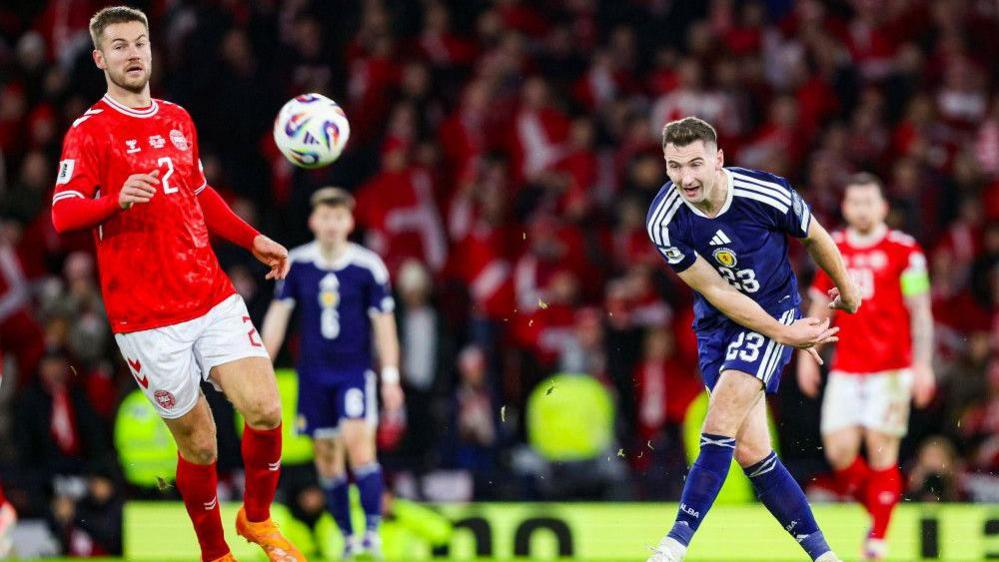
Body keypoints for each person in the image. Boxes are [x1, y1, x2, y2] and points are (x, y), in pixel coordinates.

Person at [49, 7, 303, 562]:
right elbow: (63, 215)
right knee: (201, 442)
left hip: (208, 293)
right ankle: (215, 554)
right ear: (100, 58)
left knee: (265, 408)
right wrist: (116, 198)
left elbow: (198, 193)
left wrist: (251, 238)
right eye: (119, 46)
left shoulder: (177, 117)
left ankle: (256, 520)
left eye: (140, 42)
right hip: (146, 319)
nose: (133, 53)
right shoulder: (89, 132)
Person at [644, 117, 861, 562]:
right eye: (674, 166)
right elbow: (716, 290)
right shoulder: (664, 220)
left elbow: (815, 235)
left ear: (719, 160)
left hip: (776, 307)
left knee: (719, 418)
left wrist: (848, 287)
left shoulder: (765, 193)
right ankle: (825, 556)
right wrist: (787, 336)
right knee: (750, 451)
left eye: (695, 164)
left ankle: (673, 545)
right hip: (717, 324)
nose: (685, 177)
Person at [797, 173, 934, 560]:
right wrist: (808, 355)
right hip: (846, 368)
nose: (861, 209)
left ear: (883, 207)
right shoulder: (833, 246)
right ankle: (881, 513)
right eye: (854, 202)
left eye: (868, 202)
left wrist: (923, 366)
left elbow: (920, 313)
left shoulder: (905, 251)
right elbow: (819, 303)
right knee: (839, 453)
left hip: (892, 370)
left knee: (880, 449)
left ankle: (877, 542)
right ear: (845, 207)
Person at [261, 187, 404, 559]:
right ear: (313, 221)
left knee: (359, 446)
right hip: (313, 376)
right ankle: (348, 536)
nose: (331, 224)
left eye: (338, 217)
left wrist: (390, 377)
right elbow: (278, 318)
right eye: (325, 217)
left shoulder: (368, 266)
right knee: (327, 457)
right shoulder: (297, 264)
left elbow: (385, 325)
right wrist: (260, 366)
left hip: (354, 373)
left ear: (349, 223)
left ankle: (372, 534)